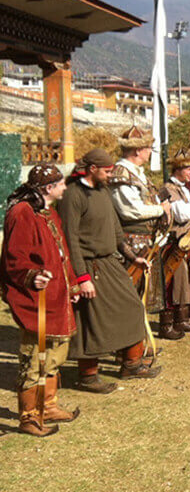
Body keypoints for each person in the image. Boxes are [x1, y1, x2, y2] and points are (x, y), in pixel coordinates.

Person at [58, 148, 161, 393]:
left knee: (133, 306)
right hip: (88, 265)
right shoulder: (73, 195)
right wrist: (81, 278)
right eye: (106, 170)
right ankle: (87, 375)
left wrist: (133, 257)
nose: (110, 174)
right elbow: (70, 239)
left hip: (110, 263)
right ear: (92, 169)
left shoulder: (103, 190)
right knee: (91, 319)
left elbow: (116, 231)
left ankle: (131, 364)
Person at [2, 164, 80, 436]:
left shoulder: (48, 212)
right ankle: (29, 416)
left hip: (58, 295)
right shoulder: (22, 213)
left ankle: (48, 405)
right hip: (37, 298)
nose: (65, 188)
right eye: (61, 183)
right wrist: (31, 276)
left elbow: (62, 252)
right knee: (35, 356)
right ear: (49, 188)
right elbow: (14, 259)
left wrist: (72, 283)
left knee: (56, 352)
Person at [108, 126, 170, 317]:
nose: (150, 152)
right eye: (148, 148)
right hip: (131, 242)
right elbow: (130, 211)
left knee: (141, 292)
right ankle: (128, 344)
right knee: (130, 293)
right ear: (137, 150)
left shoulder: (137, 173)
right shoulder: (122, 174)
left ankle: (138, 342)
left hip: (145, 240)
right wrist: (161, 209)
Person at [158, 149, 190, 336]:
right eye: (189, 169)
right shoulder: (168, 189)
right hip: (174, 244)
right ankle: (167, 325)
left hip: (187, 241)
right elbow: (182, 215)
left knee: (185, 281)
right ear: (179, 168)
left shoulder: (184, 189)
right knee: (173, 283)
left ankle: (183, 319)